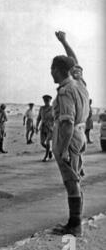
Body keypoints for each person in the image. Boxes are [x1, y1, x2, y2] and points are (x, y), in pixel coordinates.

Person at [51, 31, 89, 237]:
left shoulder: (65, 91)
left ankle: (75, 225)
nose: (50, 73)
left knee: (71, 181)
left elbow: (67, 123)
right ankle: (75, 222)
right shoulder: (79, 83)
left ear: (58, 70)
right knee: (75, 179)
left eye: (52, 69)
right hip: (80, 135)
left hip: (69, 136)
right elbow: (74, 61)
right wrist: (64, 41)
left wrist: (63, 149)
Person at [36, 95, 54, 162]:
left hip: (50, 127)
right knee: (42, 143)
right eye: (45, 100)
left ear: (50, 100)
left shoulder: (53, 108)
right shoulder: (42, 108)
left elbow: (56, 118)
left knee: (48, 141)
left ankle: (46, 156)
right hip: (43, 127)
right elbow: (38, 118)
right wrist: (36, 127)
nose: (46, 101)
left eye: (47, 100)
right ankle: (49, 151)